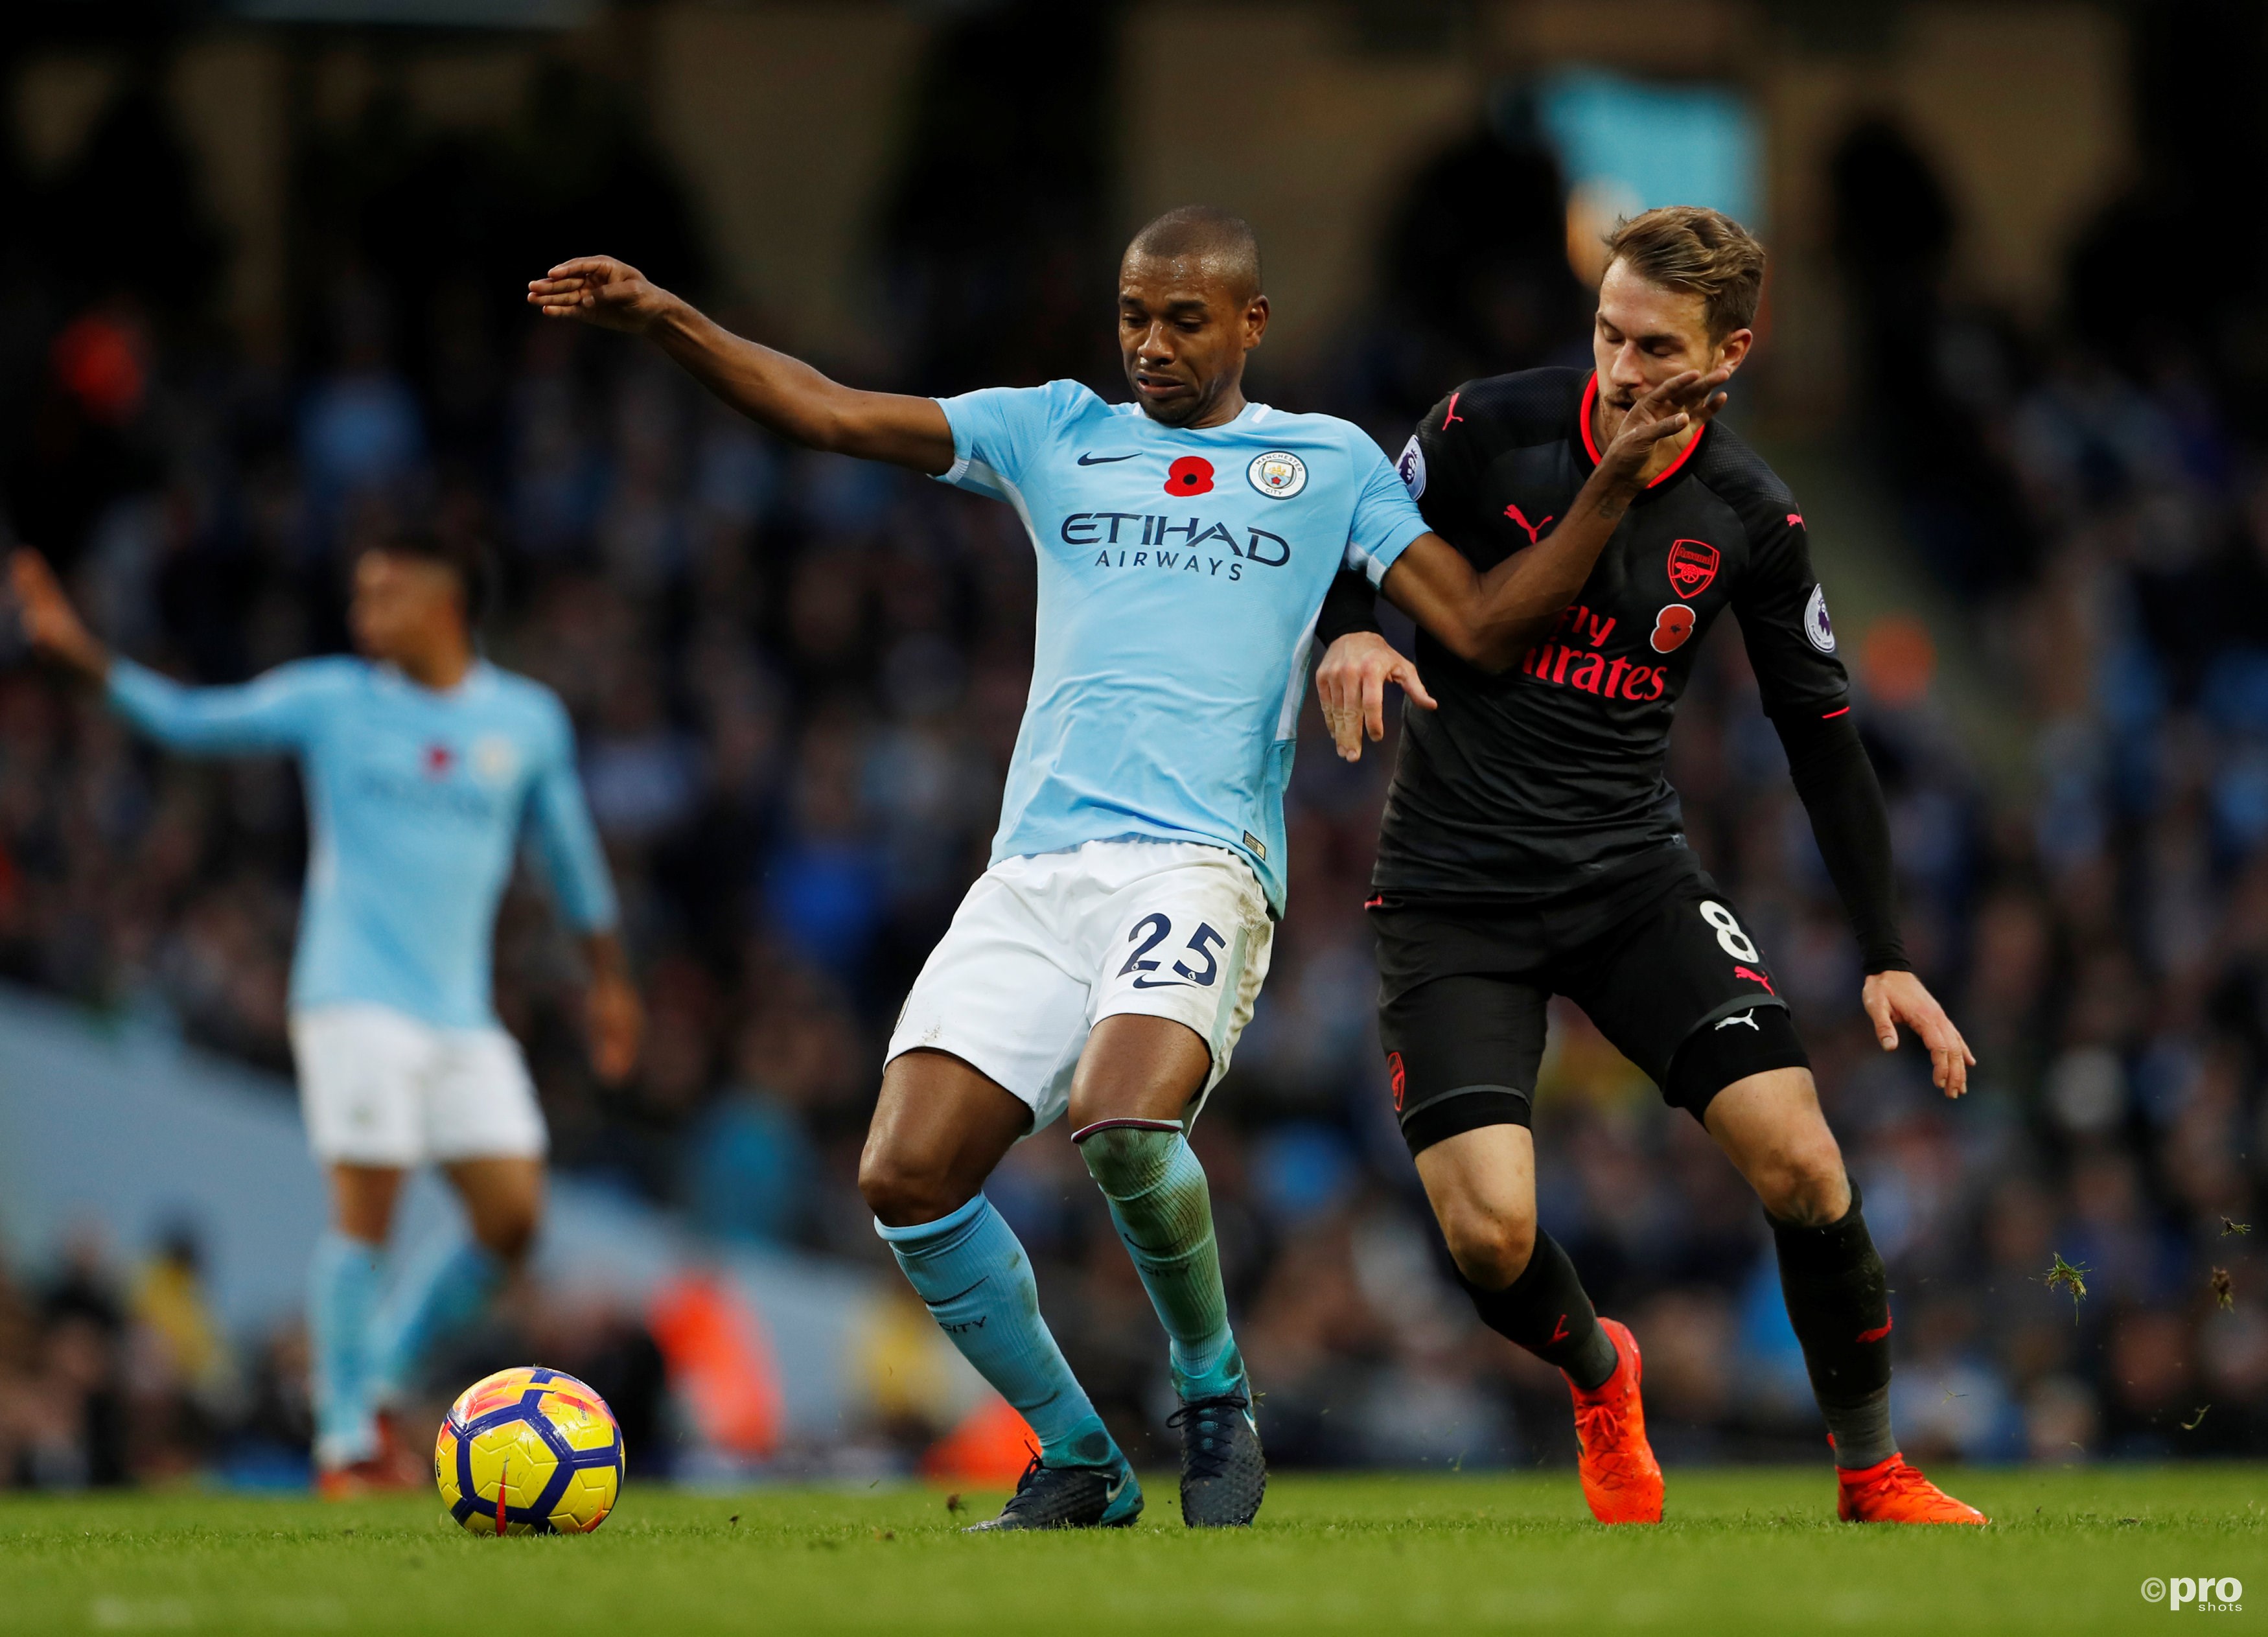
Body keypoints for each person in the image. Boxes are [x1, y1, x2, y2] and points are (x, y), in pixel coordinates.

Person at [529, 206, 1721, 1528]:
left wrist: (1610, 485)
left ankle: (1213, 1395)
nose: (1150, 345)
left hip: (1200, 863)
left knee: (1124, 1121)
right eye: (1133, 318)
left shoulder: (1323, 464)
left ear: (1250, 325)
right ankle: (1079, 1460)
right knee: (902, 1180)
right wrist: (668, 320)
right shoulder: (1052, 430)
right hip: (1035, 871)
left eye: (1183, 320)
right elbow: (826, 412)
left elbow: (1486, 625)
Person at [1313, 205, 1987, 1526]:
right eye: (1608, 333)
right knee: (1487, 1235)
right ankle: (1597, 1369)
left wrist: (1890, 956)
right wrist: (1350, 630)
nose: (1620, 369)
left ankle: (1871, 1470)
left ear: (1728, 354)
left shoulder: (1751, 513)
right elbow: (1348, 531)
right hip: (1454, 889)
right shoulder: (1481, 428)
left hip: (1631, 878)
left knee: (1801, 1158)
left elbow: (1824, 736)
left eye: (1656, 348)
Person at [8, 532, 642, 1496]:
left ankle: (379, 1362)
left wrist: (609, 979)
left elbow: (570, 855)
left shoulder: (527, 719)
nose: (362, 614)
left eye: (384, 593)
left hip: (460, 1013)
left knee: (513, 1218)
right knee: (369, 1209)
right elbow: (189, 721)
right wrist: (84, 658)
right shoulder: (334, 701)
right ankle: (347, 1441)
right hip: (352, 996)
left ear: (445, 602)